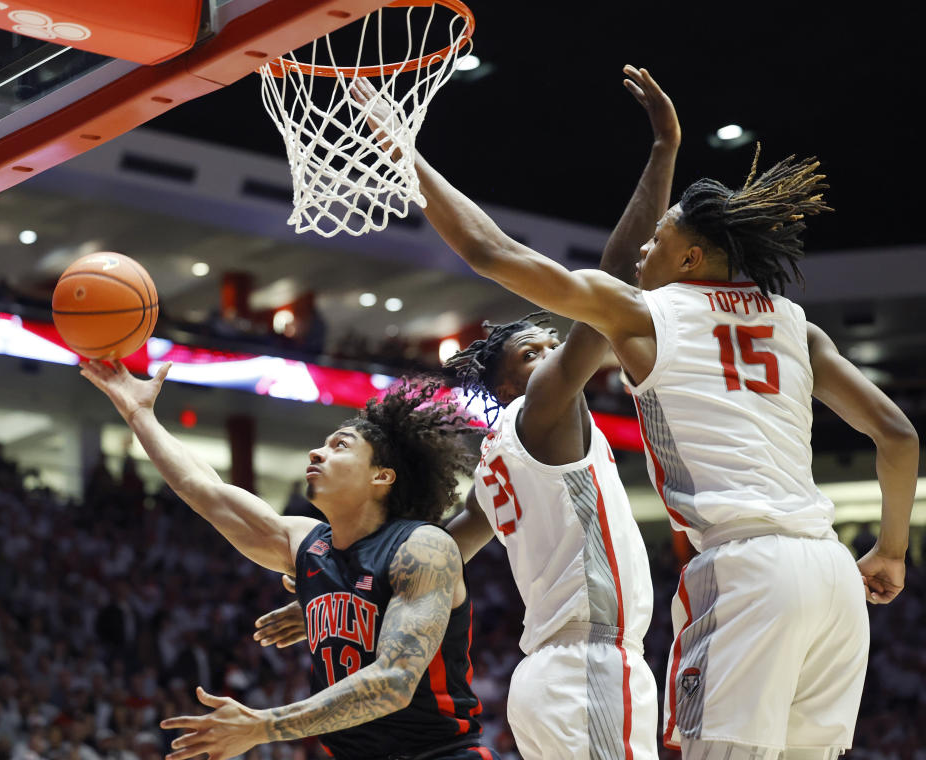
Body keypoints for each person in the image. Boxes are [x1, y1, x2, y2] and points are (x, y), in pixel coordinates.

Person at [364, 80, 920, 760]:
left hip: (747, 573)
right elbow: (897, 436)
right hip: (833, 576)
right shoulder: (796, 326)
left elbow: (492, 253)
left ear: (690, 257)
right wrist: (890, 550)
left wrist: (403, 152)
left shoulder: (644, 317)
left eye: (660, 240)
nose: (644, 253)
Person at [256, 66, 680, 760]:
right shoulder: (544, 416)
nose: (550, 353)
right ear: (510, 381)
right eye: (531, 351)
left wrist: (334, 599)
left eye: (553, 343)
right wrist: (664, 151)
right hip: (589, 668)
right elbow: (612, 286)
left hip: (547, 677)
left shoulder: (498, 463)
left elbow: (439, 549)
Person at [78, 359, 498, 760]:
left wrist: (263, 725)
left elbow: (395, 681)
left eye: (339, 446)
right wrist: (138, 414)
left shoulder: (421, 546)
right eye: (321, 445)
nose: (317, 453)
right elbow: (200, 488)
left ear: (381, 476)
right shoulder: (305, 543)